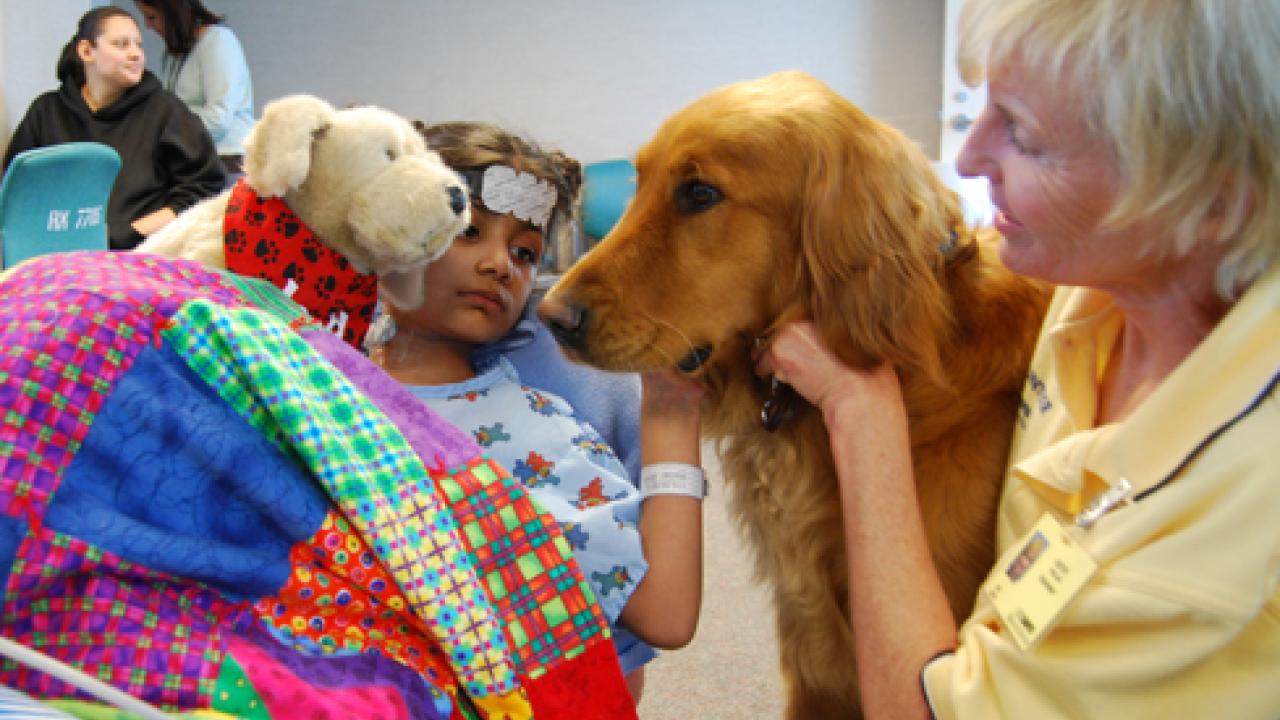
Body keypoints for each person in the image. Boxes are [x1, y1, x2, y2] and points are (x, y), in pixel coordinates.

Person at [754, 0, 1279, 718]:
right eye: (984, 107)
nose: (969, 158)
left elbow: (926, 709)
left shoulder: (1211, 543)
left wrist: (859, 407)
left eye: (1026, 136)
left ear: (1209, 199)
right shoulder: (1093, 284)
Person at [367, 121, 706, 704]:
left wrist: (671, 413)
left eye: (524, 252)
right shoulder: (300, 375)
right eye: (467, 231)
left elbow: (666, 615)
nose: (501, 264)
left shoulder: (536, 431)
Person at [2, 6, 225, 250]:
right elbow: (17, 195)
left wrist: (129, 234)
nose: (136, 54)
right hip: (58, 263)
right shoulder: (46, 112)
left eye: (138, 45)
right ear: (87, 51)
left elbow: (204, 189)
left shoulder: (166, 111)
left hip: (140, 260)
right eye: (122, 44)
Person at [133, 0, 254, 176]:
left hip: (227, 161)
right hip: (192, 159)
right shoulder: (172, 53)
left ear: (174, 11)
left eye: (151, 17)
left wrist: (165, 134)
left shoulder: (217, 41)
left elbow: (218, 118)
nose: (148, 26)